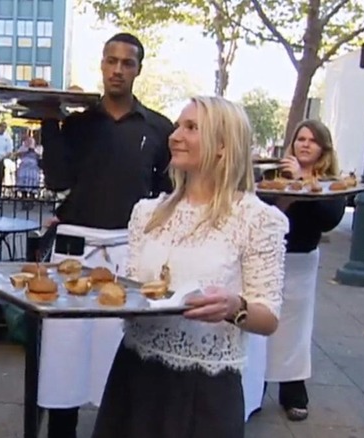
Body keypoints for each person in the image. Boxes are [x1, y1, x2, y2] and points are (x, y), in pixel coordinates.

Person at [91, 96, 288, 438]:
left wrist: (234, 307)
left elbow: (268, 317)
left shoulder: (257, 219)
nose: (175, 135)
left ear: (224, 147)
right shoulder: (147, 213)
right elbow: (135, 292)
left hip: (205, 387)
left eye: (191, 128)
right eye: (179, 125)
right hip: (135, 372)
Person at [37, 33, 174, 438]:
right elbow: (58, 179)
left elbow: (165, 194)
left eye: (127, 63)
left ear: (138, 69)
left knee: (120, 351)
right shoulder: (77, 123)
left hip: (127, 251)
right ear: (101, 64)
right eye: (110, 60)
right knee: (63, 351)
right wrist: (48, 120)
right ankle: (62, 430)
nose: (117, 69)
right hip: (73, 249)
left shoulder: (159, 128)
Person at [263, 119, 346, 421]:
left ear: (323, 148)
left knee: (294, 328)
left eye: (312, 140)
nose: (305, 144)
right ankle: (255, 386)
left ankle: (292, 390)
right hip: (268, 257)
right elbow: (262, 214)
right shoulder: (273, 175)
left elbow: (329, 219)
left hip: (301, 260)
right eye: (300, 139)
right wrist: (287, 190)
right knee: (262, 322)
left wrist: (303, 183)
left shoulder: (330, 182)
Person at [14, 131, 42, 208]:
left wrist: (34, 150)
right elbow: (17, 153)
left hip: (33, 168)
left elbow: (40, 156)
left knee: (33, 184)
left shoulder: (39, 147)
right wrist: (25, 150)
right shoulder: (23, 146)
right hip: (24, 167)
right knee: (23, 184)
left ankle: (31, 202)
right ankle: (24, 202)